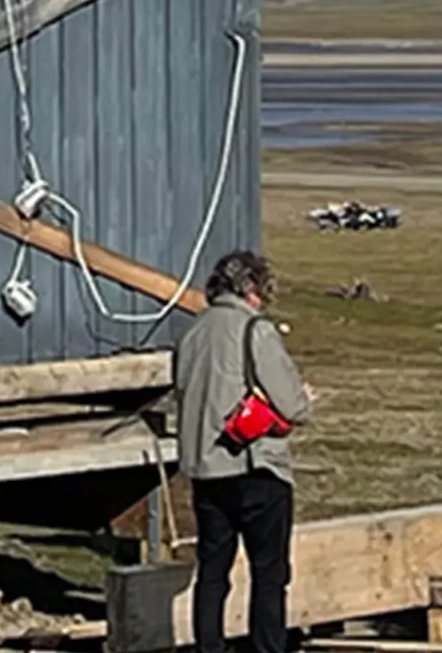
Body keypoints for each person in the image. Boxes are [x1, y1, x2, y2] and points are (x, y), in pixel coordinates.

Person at [173, 250, 312, 653]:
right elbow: (291, 405)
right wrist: (305, 399)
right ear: (251, 288)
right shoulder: (256, 330)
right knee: (269, 574)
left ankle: (209, 648)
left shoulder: (190, 334)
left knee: (213, 572)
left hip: (205, 472)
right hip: (255, 467)